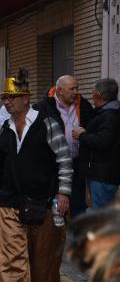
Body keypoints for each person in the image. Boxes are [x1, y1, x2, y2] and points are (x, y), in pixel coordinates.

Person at [0, 69, 72, 282]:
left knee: (44, 252)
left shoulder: (47, 122)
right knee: (11, 253)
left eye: (13, 97)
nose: (7, 102)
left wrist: (64, 192)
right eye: (5, 98)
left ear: (26, 98)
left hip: (46, 201)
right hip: (11, 201)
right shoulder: (5, 128)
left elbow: (64, 160)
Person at [35, 75, 95, 217]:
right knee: (56, 205)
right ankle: (57, 232)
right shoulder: (42, 107)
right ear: (60, 91)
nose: (76, 92)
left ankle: (77, 236)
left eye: (77, 88)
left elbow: (94, 128)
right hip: (54, 166)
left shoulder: (84, 105)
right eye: (72, 89)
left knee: (78, 205)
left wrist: (86, 132)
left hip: (77, 163)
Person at [73, 78, 120, 210]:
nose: (92, 96)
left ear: (98, 95)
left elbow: (103, 141)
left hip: (103, 176)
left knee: (101, 217)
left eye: (93, 93)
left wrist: (81, 135)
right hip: (103, 174)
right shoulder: (106, 112)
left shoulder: (110, 115)